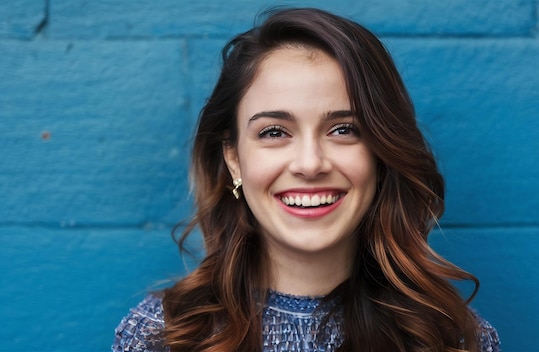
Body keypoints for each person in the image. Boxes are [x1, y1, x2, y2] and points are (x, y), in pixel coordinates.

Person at [113, 7, 500, 352]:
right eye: (274, 132)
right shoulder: (161, 336)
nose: (310, 163)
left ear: (382, 153)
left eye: (344, 129)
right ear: (233, 159)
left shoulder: (453, 339)